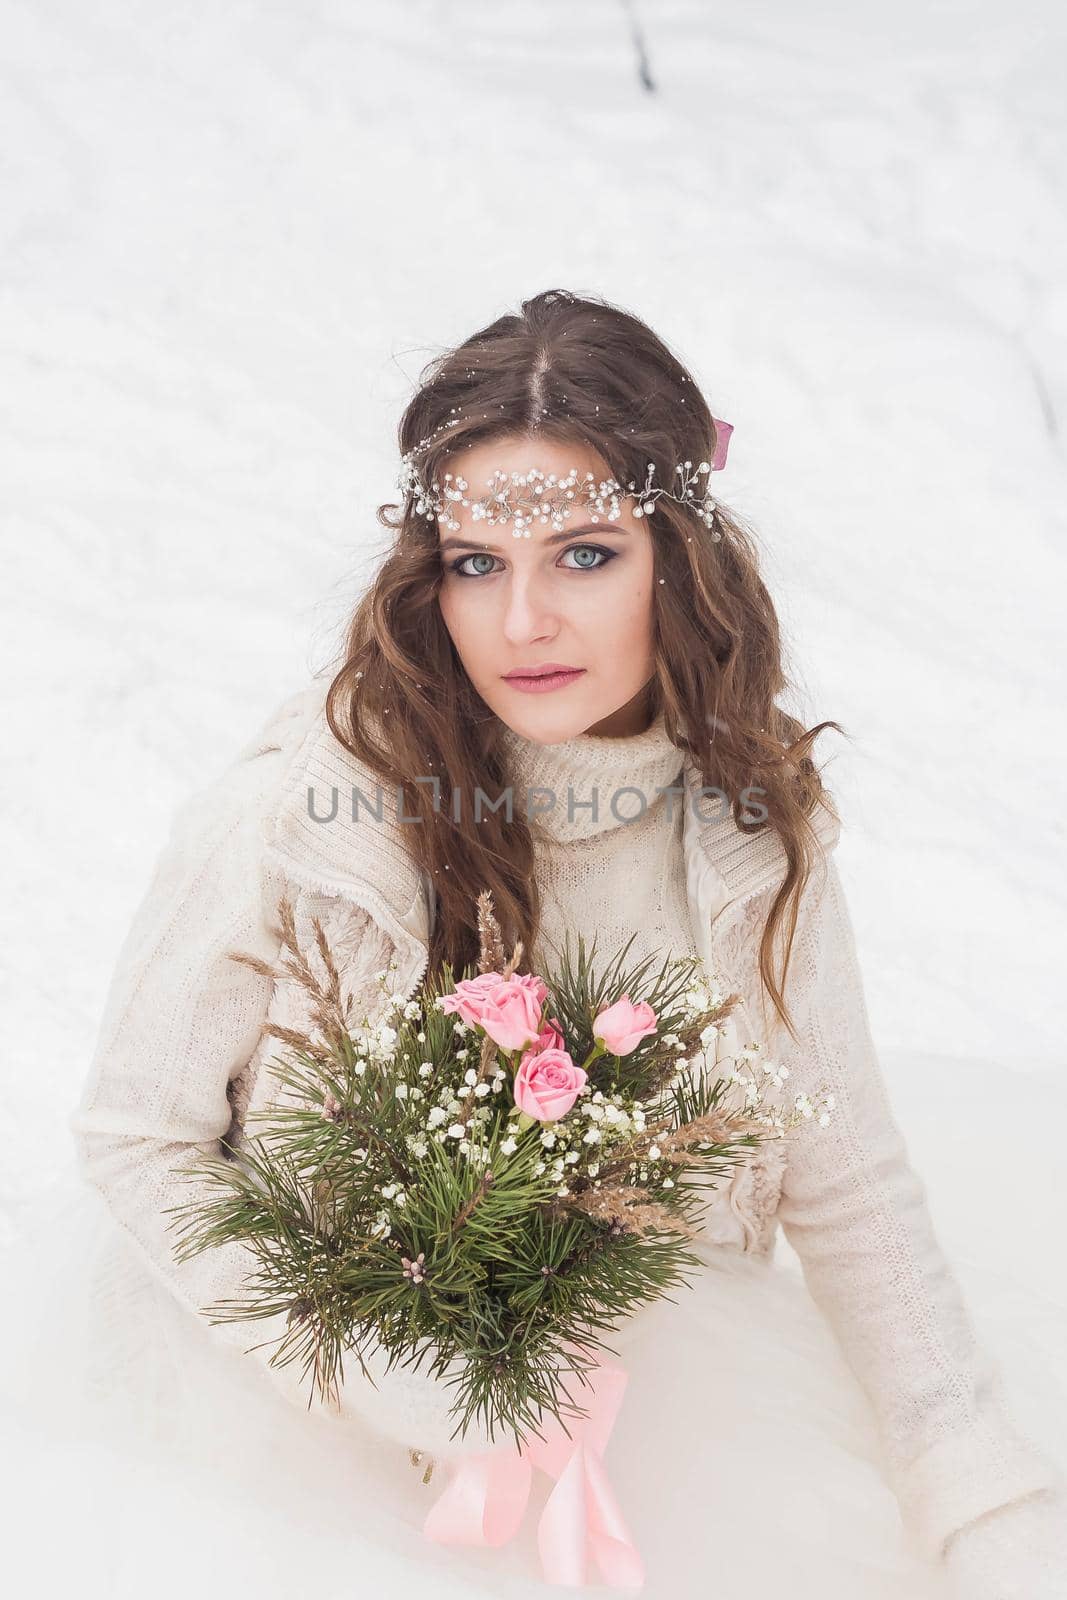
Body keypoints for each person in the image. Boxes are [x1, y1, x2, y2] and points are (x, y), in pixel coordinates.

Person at [39, 288, 1065, 1597]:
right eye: (477, 563)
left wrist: (977, 1491)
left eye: (584, 553)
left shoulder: (741, 834)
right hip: (282, 1401)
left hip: (643, 1404)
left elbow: (844, 1178)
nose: (523, 620)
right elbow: (136, 1134)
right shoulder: (305, 813)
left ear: (677, 560)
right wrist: (383, 1371)